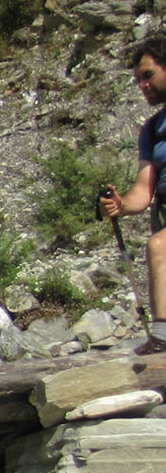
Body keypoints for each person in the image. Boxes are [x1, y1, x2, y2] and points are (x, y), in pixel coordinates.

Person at [99, 33, 166, 354]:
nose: (143, 85)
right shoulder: (152, 130)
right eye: (139, 79)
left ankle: (164, 340)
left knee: (159, 247)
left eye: (148, 75)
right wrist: (120, 205)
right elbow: (143, 191)